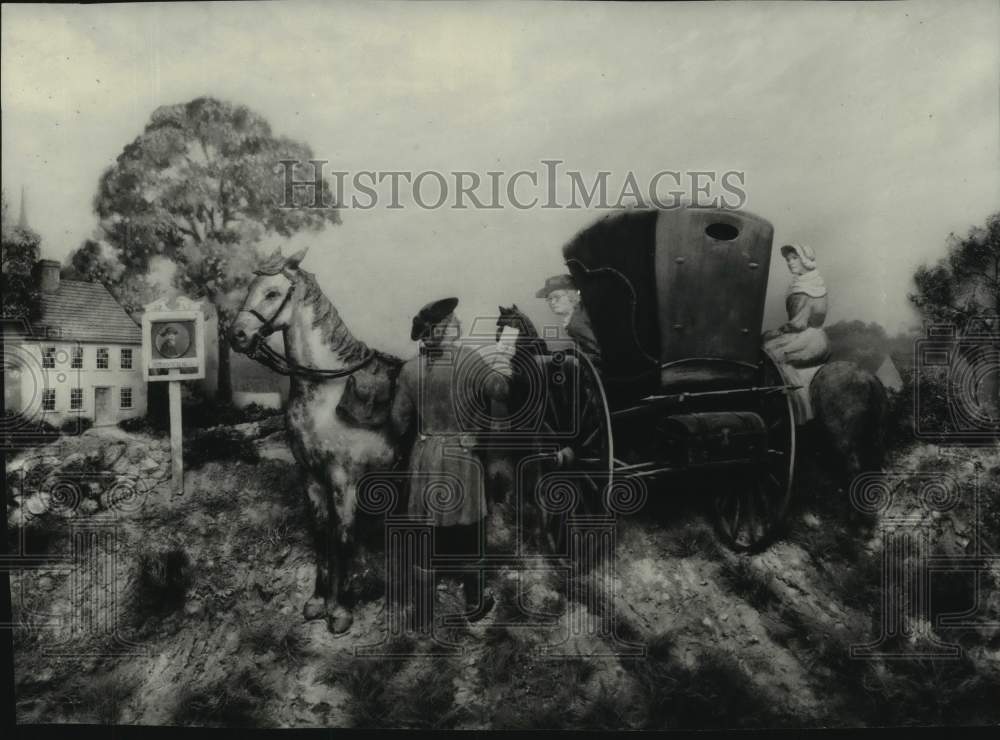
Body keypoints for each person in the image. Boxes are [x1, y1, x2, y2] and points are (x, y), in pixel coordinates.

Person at [391, 297, 509, 629]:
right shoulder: (470, 360)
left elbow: (398, 423)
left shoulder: (409, 370)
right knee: (469, 533)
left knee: (425, 535)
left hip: (426, 457)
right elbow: (502, 391)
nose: (458, 323)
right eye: (454, 320)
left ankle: (423, 613)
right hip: (462, 457)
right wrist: (503, 362)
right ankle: (475, 603)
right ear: (445, 329)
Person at [762, 243, 831, 422]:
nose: (790, 263)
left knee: (773, 353)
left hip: (810, 338)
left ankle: (799, 409)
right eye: (788, 259)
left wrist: (777, 331)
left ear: (805, 260)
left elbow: (799, 323)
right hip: (807, 335)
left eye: (794, 258)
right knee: (766, 345)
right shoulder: (806, 283)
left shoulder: (807, 287)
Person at [535, 274, 602, 368]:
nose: (552, 303)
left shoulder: (575, 324)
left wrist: (575, 359)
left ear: (572, 295)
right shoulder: (580, 312)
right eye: (549, 299)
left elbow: (601, 354)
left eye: (557, 297)